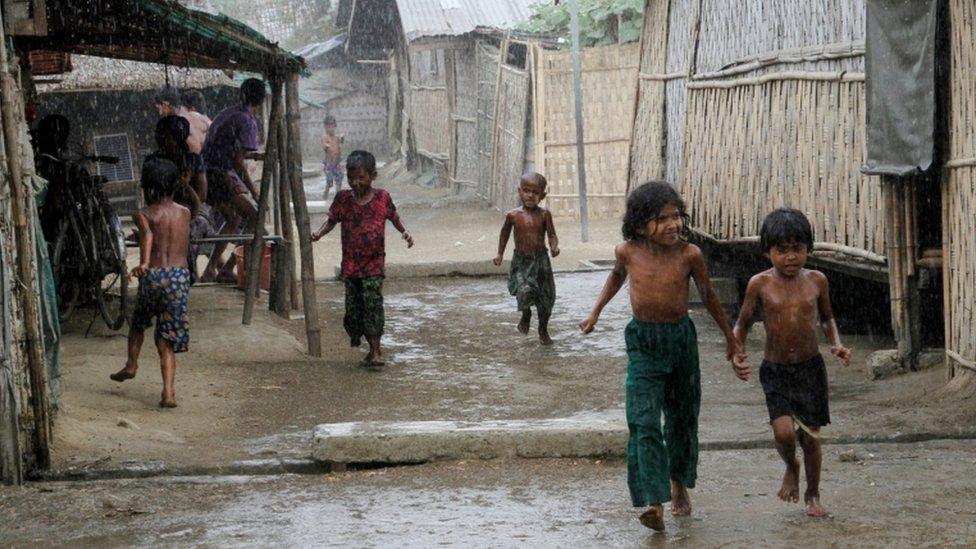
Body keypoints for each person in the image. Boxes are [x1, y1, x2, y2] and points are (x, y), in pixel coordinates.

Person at [578, 181, 743, 531]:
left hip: (680, 340)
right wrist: (595, 313)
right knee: (643, 419)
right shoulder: (627, 252)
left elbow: (710, 296)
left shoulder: (689, 255)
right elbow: (614, 279)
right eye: (661, 218)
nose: (673, 225)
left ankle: (678, 482)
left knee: (682, 417)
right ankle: (654, 501)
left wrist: (731, 339)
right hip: (643, 341)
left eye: (676, 216)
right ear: (640, 225)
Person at [731, 207, 851, 518]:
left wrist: (836, 343)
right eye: (781, 250)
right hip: (775, 370)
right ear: (767, 251)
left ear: (808, 249)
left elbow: (827, 319)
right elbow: (741, 324)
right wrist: (736, 351)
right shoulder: (759, 284)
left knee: (810, 437)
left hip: (810, 369)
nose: (790, 258)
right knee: (784, 432)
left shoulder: (817, 280)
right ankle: (790, 466)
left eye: (797, 249)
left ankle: (813, 494)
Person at [312, 150, 413, 367]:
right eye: (351, 178)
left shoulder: (382, 198)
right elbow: (331, 221)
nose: (356, 183)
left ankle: (376, 351)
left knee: (373, 304)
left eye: (361, 178)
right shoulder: (343, 200)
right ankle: (359, 337)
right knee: (354, 309)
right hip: (351, 266)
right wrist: (318, 234)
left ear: (372, 176)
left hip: (374, 265)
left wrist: (405, 233)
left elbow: (394, 217)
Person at [110, 157, 192, 409]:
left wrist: (144, 263)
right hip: (178, 277)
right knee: (166, 339)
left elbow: (148, 234)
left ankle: (132, 364)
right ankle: (168, 393)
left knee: (138, 323)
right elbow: (167, 234)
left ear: (147, 186)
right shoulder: (185, 212)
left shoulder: (143, 213)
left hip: (154, 275)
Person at [199, 77, 266, 283]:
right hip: (221, 174)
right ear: (262, 100)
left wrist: (254, 156)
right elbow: (237, 161)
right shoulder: (248, 120)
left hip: (206, 172)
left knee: (233, 218)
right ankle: (227, 268)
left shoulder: (228, 112)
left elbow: (230, 150)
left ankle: (211, 269)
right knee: (254, 217)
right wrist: (253, 191)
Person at [492, 172, 560, 345]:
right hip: (522, 261)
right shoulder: (513, 215)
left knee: (546, 299)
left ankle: (543, 328)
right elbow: (504, 234)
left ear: (542, 195)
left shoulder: (545, 215)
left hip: (541, 261)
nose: (530, 195)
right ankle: (526, 313)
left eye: (535, 192)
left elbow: (552, 235)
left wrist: (554, 247)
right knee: (524, 290)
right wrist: (500, 253)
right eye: (526, 190)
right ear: (519, 191)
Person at [148, 115, 215, 281]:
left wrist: (185, 187)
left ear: (177, 137)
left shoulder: (193, 160)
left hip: (195, 210)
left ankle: (187, 275)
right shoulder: (153, 162)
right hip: (163, 209)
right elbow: (149, 197)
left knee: (187, 230)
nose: (160, 139)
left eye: (165, 135)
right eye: (159, 135)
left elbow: (202, 196)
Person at [155, 86, 210, 154]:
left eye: (159, 108)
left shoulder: (175, 123)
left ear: (165, 104)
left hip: (193, 161)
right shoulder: (197, 116)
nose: (160, 113)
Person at [321, 114, 345, 199]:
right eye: (328, 127)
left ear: (335, 126)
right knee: (329, 182)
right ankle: (325, 196)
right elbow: (324, 146)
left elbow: (341, 142)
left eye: (332, 126)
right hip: (329, 164)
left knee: (339, 181)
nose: (330, 129)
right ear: (325, 127)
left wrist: (342, 139)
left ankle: (338, 199)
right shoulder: (325, 137)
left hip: (337, 163)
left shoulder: (337, 137)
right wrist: (327, 146)